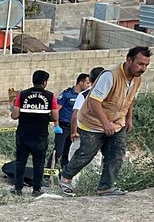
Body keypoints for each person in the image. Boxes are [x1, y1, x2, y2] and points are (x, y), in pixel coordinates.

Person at [60, 46, 150, 196]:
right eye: (140, 64)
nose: (143, 68)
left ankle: (106, 187)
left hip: (117, 122)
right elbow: (94, 101)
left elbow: (130, 98)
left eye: (146, 65)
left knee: (117, 153)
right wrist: (104, 123)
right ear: (129, 60)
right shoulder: (110, 75)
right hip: (93, 122)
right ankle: (65, 177)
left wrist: (128, 118)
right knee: (87, 153)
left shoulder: (137, 79)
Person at [10, 70, 59, 196]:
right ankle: (37, 189)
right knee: (39, 163)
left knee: (20, 162)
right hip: (40, 135)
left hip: (23, 134)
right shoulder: (50, 96)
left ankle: (18, 189)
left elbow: (15, 116)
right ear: (44, 83)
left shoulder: (22, 95)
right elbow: (54, 117)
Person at [67, 67, 105, 184]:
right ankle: (92, 186)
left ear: (91, 79)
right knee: (95, 162)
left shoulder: (84, 95)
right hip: (99, 133)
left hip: (82, 132)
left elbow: (75, 116)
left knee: (75, 159)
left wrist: (73, 132)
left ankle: (72, 187)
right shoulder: (109, 94)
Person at [49, 73, 90, 170]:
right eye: (87, 83)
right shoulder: (66, 94)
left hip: (75, 128)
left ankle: (64, 172)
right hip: (63, 127)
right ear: (81, 82)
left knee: (68, 152)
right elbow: (57, 110)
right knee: (58, 150)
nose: (89, 85)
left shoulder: (84, 96)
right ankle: (48, 171)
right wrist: (56, 125)